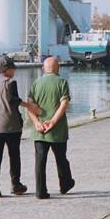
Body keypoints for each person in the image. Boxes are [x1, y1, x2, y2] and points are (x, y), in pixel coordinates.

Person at [0, 55, 42, 198]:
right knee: (14, 156)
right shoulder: (11, 82)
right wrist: (29, 105)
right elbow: (13, 99)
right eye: (13, 68)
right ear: (8, 70)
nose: (14, 71)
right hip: (10, 126)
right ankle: (16, 185)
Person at [27, 57, 76, 199]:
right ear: (58, 68)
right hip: (58, 130)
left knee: (40, 161)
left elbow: (30, 105)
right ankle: (65, 184)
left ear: (43, 68)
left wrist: (36, 122)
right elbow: (64, 104)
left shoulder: (36, 83)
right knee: (61, 158)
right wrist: (53, 122)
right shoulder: (62, 82)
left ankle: (40, 191)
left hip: (40, 131)